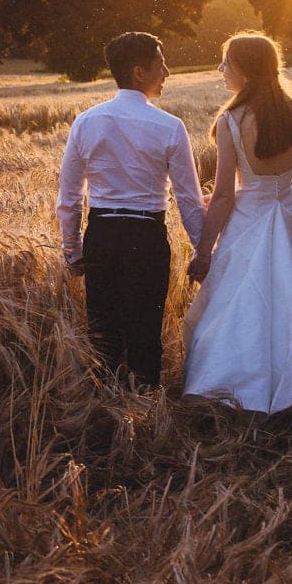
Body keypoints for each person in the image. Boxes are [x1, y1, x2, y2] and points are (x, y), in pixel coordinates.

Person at [182, 32, 292, 412]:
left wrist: (203, 251)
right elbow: (273, 179)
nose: (221, 70)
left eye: (226, 63)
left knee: (239, 307)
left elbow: (223, 196)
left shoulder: (231, 121)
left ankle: (232, 387)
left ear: (245, 71)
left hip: (248, 222)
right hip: (286, 216)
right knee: (286, 303)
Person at [56, 32, 205, 388]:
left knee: (102, 331)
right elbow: (188, 198)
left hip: (102, 235)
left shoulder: (86, 121)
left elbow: (70, 196)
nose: (167, 72)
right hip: (146, 236)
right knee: (145, 330)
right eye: (160, 65)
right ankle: (146, 414)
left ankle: (102, 412)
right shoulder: (170, 127)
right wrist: (202, 250)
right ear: (139, 72)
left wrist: (72, 249)